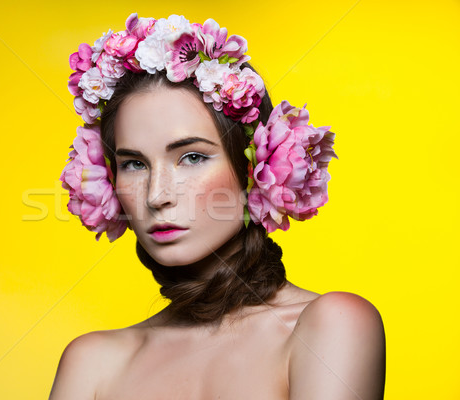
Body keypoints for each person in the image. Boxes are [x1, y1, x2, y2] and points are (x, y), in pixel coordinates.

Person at [50, 13, 385, 399]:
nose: (157, 195)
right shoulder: (92, 363)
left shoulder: (330, 328)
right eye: (134, 164)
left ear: (255, 169)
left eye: (192, 157)